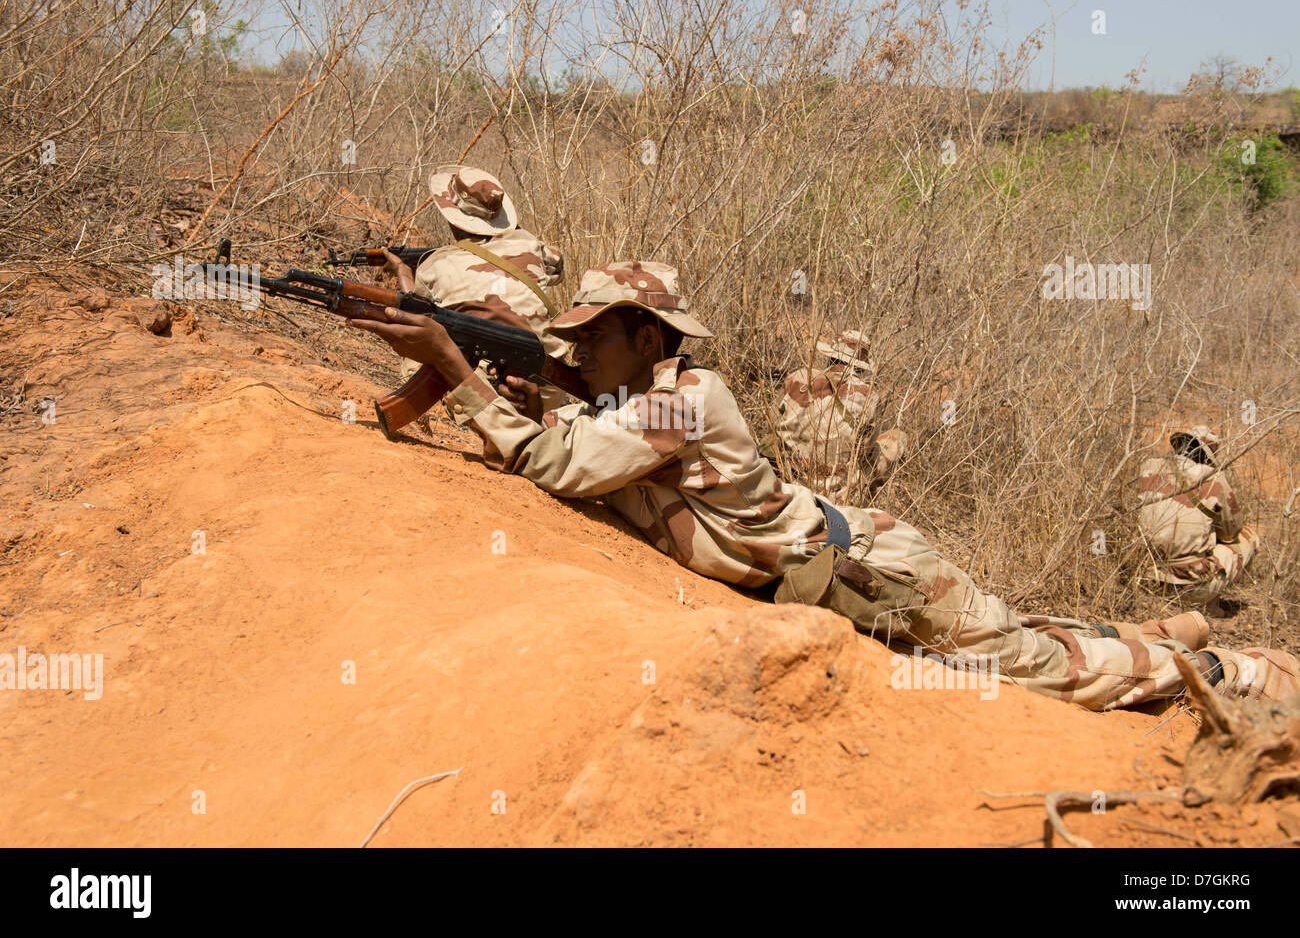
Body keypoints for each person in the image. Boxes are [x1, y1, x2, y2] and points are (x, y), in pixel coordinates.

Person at [347, 262, 1300, 710]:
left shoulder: (689, 400)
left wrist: (455, 369)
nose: (575, 348)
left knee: (1025, 672)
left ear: (649, 338)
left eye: (595, 334)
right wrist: (527, 394)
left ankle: (1221, 670)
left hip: (878, 571)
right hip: (850, 557)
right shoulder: (638, 403)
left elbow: (562, 467)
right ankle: (1166, 632)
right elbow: (584, 447)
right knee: (1011, 634)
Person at [381, 165, 567, 398]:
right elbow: (557, 266)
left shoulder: (437, 265)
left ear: (453, 217)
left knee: (425, 339)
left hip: (487, 393)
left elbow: (415, 315)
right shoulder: (531, 244)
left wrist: (402, 271)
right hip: (550, 386)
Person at [1136, 425, 1257, 617]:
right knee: (1248, 538)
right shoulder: (1213, 479)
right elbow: (1231, 533)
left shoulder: (1148, 466)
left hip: (1145, 579)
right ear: (1207, 455)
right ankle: (1208, 603)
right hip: (1190, 587)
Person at [775, 329, 907, 503]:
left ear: (831, 357)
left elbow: (775, 423)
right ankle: (862, 500)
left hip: (789, 480)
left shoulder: (799, 376)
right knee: (899, 439)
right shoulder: (869, 396)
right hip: (835, 494)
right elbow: (865, 449)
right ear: (861, 365)